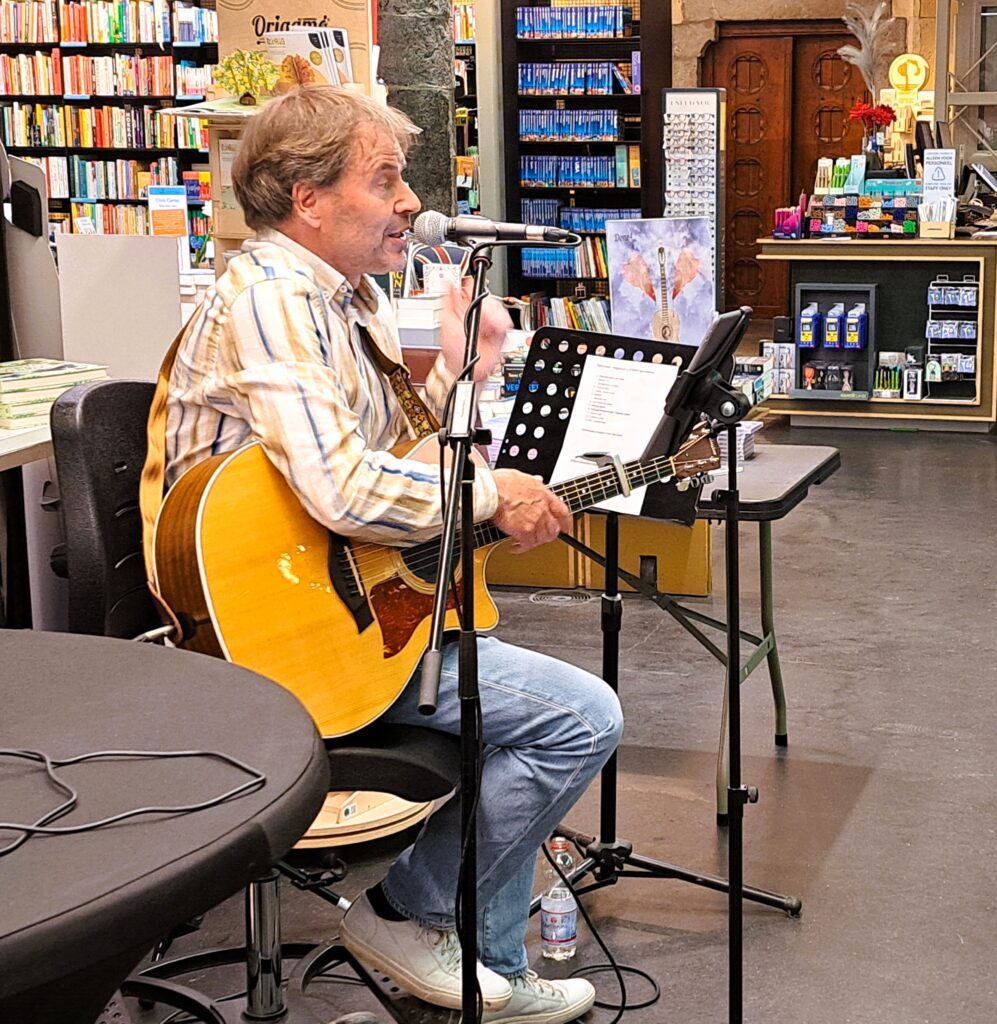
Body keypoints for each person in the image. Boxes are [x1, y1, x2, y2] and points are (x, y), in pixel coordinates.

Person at [164, 86, 623, 1024]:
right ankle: (406, 912)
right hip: (281, 633)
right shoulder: (272, 298)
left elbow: (394, 456)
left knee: (523, 707)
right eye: (384, 180)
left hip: (345, 600)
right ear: (307, 198)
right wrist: (491, 495)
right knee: (580, 719)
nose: (411, 201)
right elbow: (341, 491)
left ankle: (487, 961)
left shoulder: (345, 299)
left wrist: (464, 371)